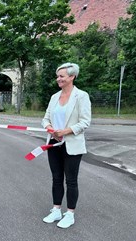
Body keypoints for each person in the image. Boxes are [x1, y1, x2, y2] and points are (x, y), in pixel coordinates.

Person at [41, 62, 91, 228]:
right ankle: (56, 210)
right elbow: (45, 118)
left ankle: (70, 213)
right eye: (58, 76)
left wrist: (66, 131)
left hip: (72, 145)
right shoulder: (54, 97)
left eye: (62, 76)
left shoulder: (81, 96)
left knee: (71, 180)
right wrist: (49, 128)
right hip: (54, 144)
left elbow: (85, 122)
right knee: (56, 178)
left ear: (72, 77)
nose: (58, 79)